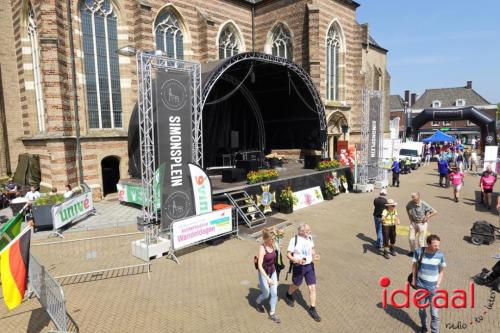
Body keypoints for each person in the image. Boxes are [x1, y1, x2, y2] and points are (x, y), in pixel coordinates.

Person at [284, 223, 321, 322]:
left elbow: (312, 249)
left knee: (312, 288)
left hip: (309, 266)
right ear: (301, 231)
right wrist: (297, 260)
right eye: (307, 230)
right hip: (299, 267)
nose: (310, 231)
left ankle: (312, 309)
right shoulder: (294, 240)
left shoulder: (309, 238)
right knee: (296, 284)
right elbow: (288, 255)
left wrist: (315, 255)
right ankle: (288, 294)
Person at [412, 234, 446, 333]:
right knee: (422, 310)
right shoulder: (419, 251)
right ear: (428, 244)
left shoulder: (440, 255)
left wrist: (438, 284)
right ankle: (424, 327)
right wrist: (414, 279)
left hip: (433, 288)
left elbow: (441, 271)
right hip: (421, 287)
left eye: (439, 245)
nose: (437, 247)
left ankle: (435, 331)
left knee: (434, 312)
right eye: (435, 245)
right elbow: (414, 266)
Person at [255, 228, 281, 323]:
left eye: (274, 239)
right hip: (264, 273)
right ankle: (258, 302)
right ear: (266, 239)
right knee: (266, 294)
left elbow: (276, 245)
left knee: (274, 293)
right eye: (271, 239)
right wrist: (267, 278)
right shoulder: (262, 248)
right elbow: (259, 266)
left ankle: (272, 313)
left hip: (272, 271)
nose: (273, 241)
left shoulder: (273, 244)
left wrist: (278, 247)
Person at [406, 192, 437, 257]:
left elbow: (434, 211)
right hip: (414, 223)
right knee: (411, 238)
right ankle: (412, 251)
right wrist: (410, 217)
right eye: (412, 197)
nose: (413, 199)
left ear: (418, 197)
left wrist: (427, 217)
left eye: (414, 197)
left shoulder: (423, 204)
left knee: (421, 240)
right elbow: (407, 208)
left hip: (422, 224)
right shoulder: (410, 203)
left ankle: (421, 253)